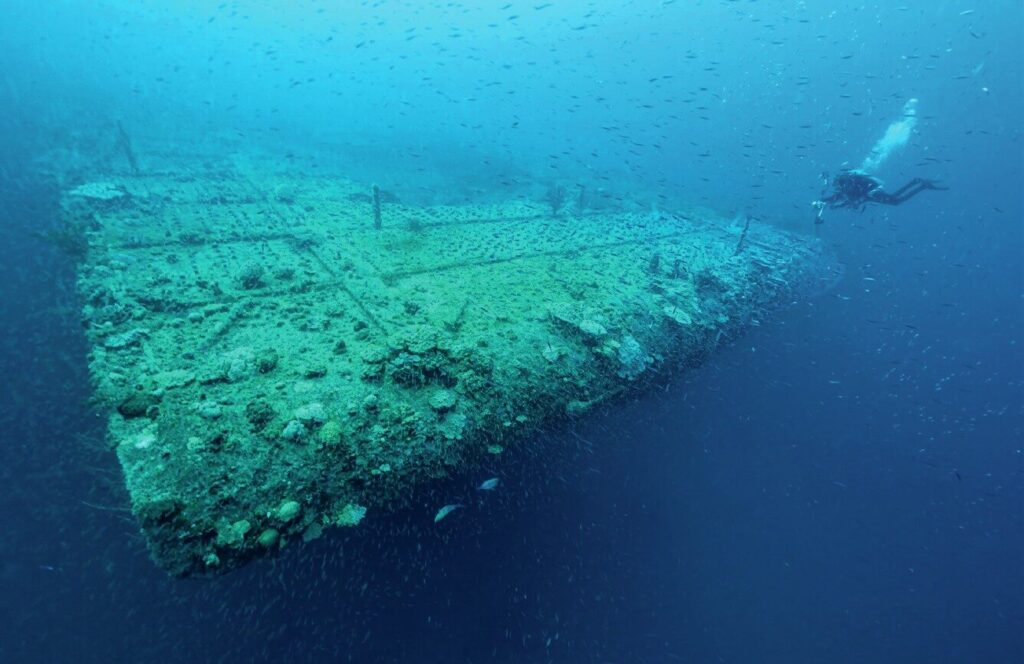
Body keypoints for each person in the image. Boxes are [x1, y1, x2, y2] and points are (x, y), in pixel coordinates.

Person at [812, 169, 947, 223]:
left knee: (895, 201)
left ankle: (919, 183)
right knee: (895, 200)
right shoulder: (843, 187)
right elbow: (838, 199)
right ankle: (920, 184)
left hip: (871, 191)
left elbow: (839, 198)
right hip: (868, 193)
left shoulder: (845, 186)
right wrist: (824, 202)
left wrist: (823, 201)